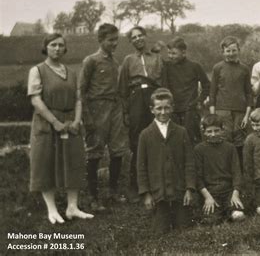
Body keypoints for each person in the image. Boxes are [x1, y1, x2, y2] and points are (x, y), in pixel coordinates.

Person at [28, 33, 93, 224]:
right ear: (46, 47)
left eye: (61, 45)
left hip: (70, 123)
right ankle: (52, 209)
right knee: (45, 163)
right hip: (47, 122)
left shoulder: (71, 72)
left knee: (74, 161)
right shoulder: (38, 70)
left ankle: (72, 207)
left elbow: (78, 99)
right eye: (53, 45)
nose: (57, 49)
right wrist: (54, 122)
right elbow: (36, 100)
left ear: (65, 49)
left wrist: (77, 120)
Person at [79, 23, 130, 212]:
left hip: (115, 107)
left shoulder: (115, 62)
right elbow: (81, 91)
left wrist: (123, 112)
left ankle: (112, 192)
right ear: (101, 40)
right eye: (110, 40)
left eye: (116, 39)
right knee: (94, 152)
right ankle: (93, 197)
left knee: (117, 150)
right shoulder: (90, 61)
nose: (114, 43)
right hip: (97, 108)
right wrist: (87, 117)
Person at [137, 88, 196, 234]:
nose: (163, 112)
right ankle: (161, 214)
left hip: (179, 190)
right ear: (152, 109)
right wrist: (146, 193)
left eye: (166, 108)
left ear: (172, 108)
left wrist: (189, 189)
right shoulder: (145, 135)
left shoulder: (181, 132)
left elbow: (189, 162)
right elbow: (141, 166)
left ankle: (180, 213)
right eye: (159, 108)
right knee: (160, 231)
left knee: (184, 228)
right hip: (158, 192)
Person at [119, 26, 165, 201]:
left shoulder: (157, 58)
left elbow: (164, 82)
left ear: (146, 37)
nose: (138, 39)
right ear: (131, 41)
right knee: (138, 142)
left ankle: (157, 185)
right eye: (134, 37)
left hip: (154, 97)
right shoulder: (128, 60)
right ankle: (135, 186)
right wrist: (125, 111)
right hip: (136, 98)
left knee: (157, 137)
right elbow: (122, 88)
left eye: (140, 35)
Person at [209, 36, 253, 164]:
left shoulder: (244, 69)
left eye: (234, 50)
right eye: (228, 51)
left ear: (239, 50)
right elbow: (212, 92)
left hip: (240, 111)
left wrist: (247, 115)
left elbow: (248, 93)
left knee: (240, 142)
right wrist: (213, 115)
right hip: (222, 111)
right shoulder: (218, 68)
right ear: (223, 52)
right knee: (224, 141)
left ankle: (239, 173)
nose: (231, 53)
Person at [195, 114, 245, 224]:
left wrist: (235, 194)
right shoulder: (199, 150)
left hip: (229, 192)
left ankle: (229, 211)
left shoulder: (230, 148)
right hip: (211, 192)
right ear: (204, 132)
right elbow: (198, 177)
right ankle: (219, 214)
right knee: (211, 221)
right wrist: (207, 197)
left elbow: (237, 172)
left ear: (223, 130)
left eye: (216, 130)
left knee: (238, 216)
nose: (213, 134)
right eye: (209, 131)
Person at [162, 37, 210, 145]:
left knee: (192, 140)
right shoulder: (167, 66)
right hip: (173, 110)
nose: (170, 56)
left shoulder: (194, 66)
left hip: (190, 111)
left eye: (174, 53)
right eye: (169, 53)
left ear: (183, 52)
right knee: (174, 141)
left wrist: (198, 101)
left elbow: (207, 86)